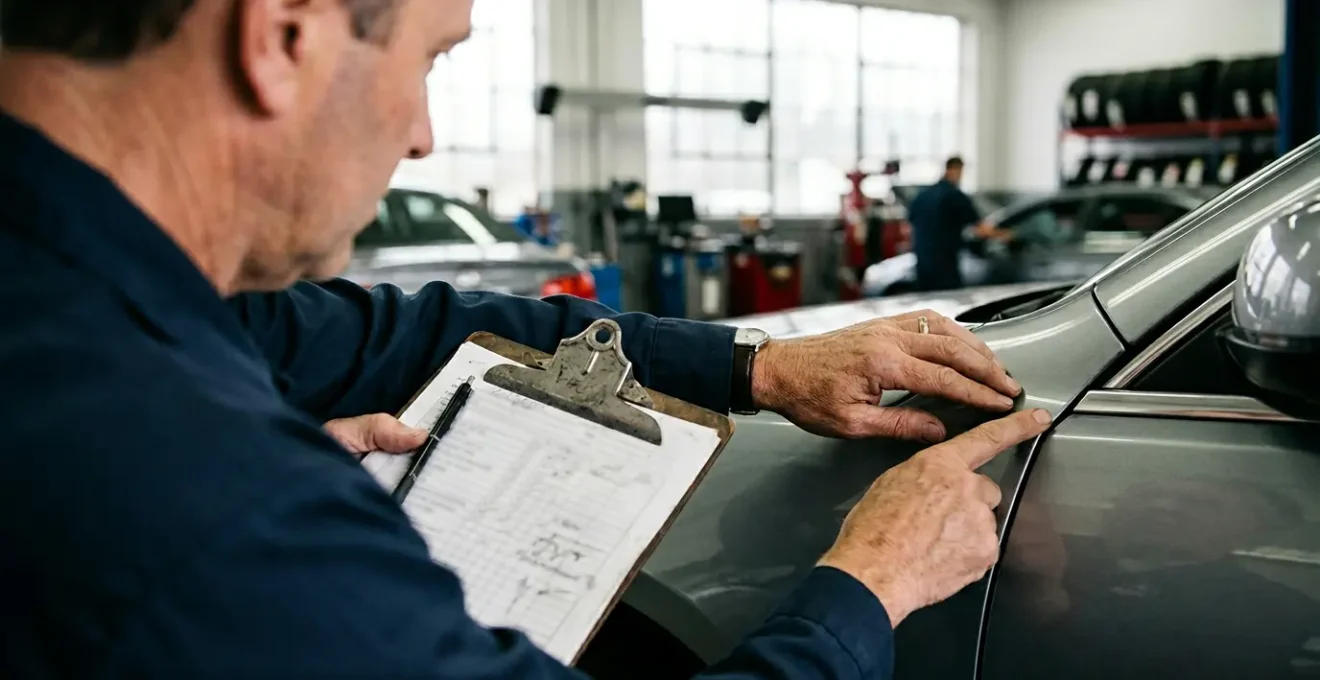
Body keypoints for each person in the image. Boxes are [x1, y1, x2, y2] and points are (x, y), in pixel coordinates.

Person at [0, 1, 1051, 678]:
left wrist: (757, 367)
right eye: (430, 58)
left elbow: (410, 332)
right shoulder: (201, 493)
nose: (423, 136)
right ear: (284, 36)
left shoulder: (82, 303)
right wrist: (869, 584)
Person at [905, 156, 1008, 292]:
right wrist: (1005, 235)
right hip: (944, 261)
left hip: (922, 259)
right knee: (950, 296)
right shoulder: (955, 196)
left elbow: (909, 225)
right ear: (955, 170)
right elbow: (980, 229)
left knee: (927, 297)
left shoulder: (922, 195)